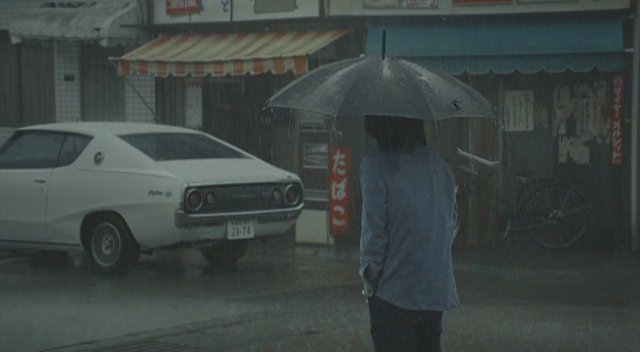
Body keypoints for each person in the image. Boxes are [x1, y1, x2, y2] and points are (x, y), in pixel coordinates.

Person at [359, 115, 458, 352]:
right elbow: (450, 223)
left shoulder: (375, 166)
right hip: (434, 292)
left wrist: (369, 277)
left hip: (395, 293)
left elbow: (374, 234)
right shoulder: (439, 166)